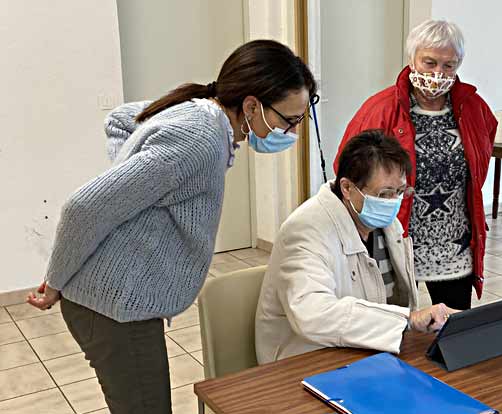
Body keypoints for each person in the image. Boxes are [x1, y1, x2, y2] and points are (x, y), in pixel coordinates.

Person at [26, 39, 317, 414]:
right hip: (114, 309)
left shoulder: (201, 114)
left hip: (120, 301)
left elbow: (120, 119)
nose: (292, 132)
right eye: (289, 120)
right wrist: (55, 282)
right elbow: (83, 208)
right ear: (250, 105)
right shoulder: (201, 137)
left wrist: (136, 185)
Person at [334, 20, 497, 310]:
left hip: (454, 244)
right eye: (430, 62)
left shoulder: (474, 107)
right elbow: (345, 168)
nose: (438, 74)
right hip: (395, 240)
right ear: (412, 60)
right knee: (392, 327)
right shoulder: (381, 109)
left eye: (449, 65)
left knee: (454, 328)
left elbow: (480, 159)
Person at [256, 130, 456, 364]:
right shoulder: (305, 230)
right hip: (305, 359)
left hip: (369, 351)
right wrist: (407, 319)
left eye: (400, 192)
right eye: (384, 194)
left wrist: (427, 320)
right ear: (347, 188)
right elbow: (313, 314)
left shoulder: (387, 225)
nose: (393, 202)